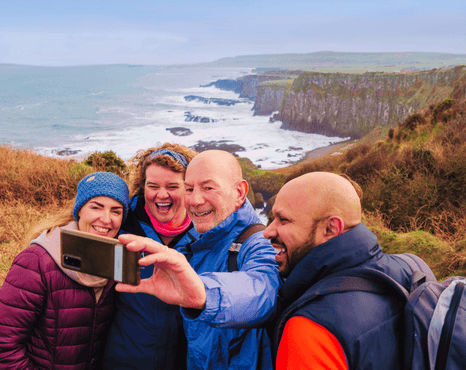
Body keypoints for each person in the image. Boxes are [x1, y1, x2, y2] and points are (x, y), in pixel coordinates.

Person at [116, 149, 280, 370]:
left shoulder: (256, 242)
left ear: (240, 193)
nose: (194, 200)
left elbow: (263, 290)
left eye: (208, 187)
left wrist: (203, 294)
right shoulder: (192, 245)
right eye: (190, 189)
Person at [264, 171, 418, 370]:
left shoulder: (310, 328)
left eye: (283, 220)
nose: (267, 231)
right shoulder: (407, 270)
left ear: (330, 229)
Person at [0, 171, 130, 370]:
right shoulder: (37, 261)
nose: (106, 219)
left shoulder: (117, 262)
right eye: (96, 207)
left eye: (116, 211)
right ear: (79, 211)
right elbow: (0, 348)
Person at [103, 144, 196, 370]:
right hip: (123, 361)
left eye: (173, 186)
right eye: (153, 186)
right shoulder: (120, 226)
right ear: (143, 186)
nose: (161, 195)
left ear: (189, 188)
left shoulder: (207, 233)